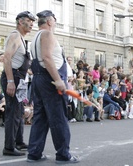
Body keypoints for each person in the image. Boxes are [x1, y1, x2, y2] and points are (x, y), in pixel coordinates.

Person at [28, 10, 79, 163]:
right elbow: (47, 57)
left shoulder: (35, 36)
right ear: (50, 21)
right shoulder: (47, 35)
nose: (55, 23)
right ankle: (63, 154)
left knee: (40, 117)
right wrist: (58, 80)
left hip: (39, 79)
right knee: (58, 117)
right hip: (49, 80)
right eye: (55, 20)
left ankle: (34, 153)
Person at [0, 11, 36, 156]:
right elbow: (7, 58)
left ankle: (19, 142)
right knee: (13, 113)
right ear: (20, 22)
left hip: (19, 79)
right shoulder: (15, 36)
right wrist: (10, 81)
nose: (32, 23)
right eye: (29, 20)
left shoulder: (21, 38)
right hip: (13, 78)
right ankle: (9, 147)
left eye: (33, 21)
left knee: (19, 112)